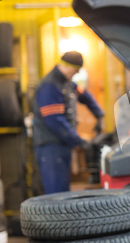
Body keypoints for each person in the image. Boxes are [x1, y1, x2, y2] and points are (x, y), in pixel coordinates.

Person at [33, 51, 104, 194]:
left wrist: (99, 114)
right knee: (56, 192)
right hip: (50, 146)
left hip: (61, 145)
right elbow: (55, 121)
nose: (76, 74)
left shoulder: (67, 83)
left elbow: (85, 96)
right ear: (65, 66)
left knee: (63, 190)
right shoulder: (50, 86)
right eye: (75, 70)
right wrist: (78, 140)